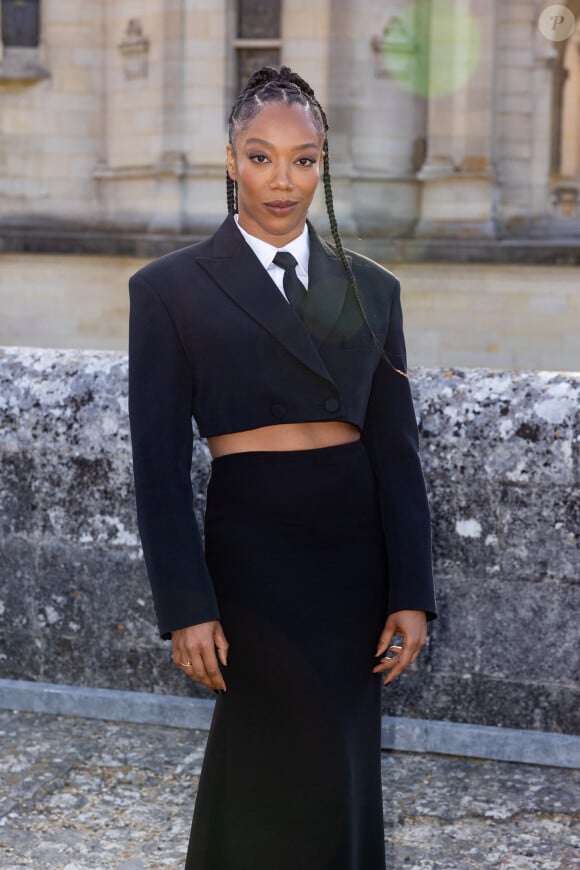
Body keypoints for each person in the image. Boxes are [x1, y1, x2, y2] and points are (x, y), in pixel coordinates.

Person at [128, 65, 436, 870]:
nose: (282, 179)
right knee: (266, 751)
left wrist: (412, 592)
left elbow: (397, 456)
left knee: (341, 755)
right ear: (230, 159)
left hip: (353, 554)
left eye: (303, 159)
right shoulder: (167, 290)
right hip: (252, 549)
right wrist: (185, 605)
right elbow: (157, 468)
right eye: (261, 157)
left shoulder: (374, 288)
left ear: (322, 163)